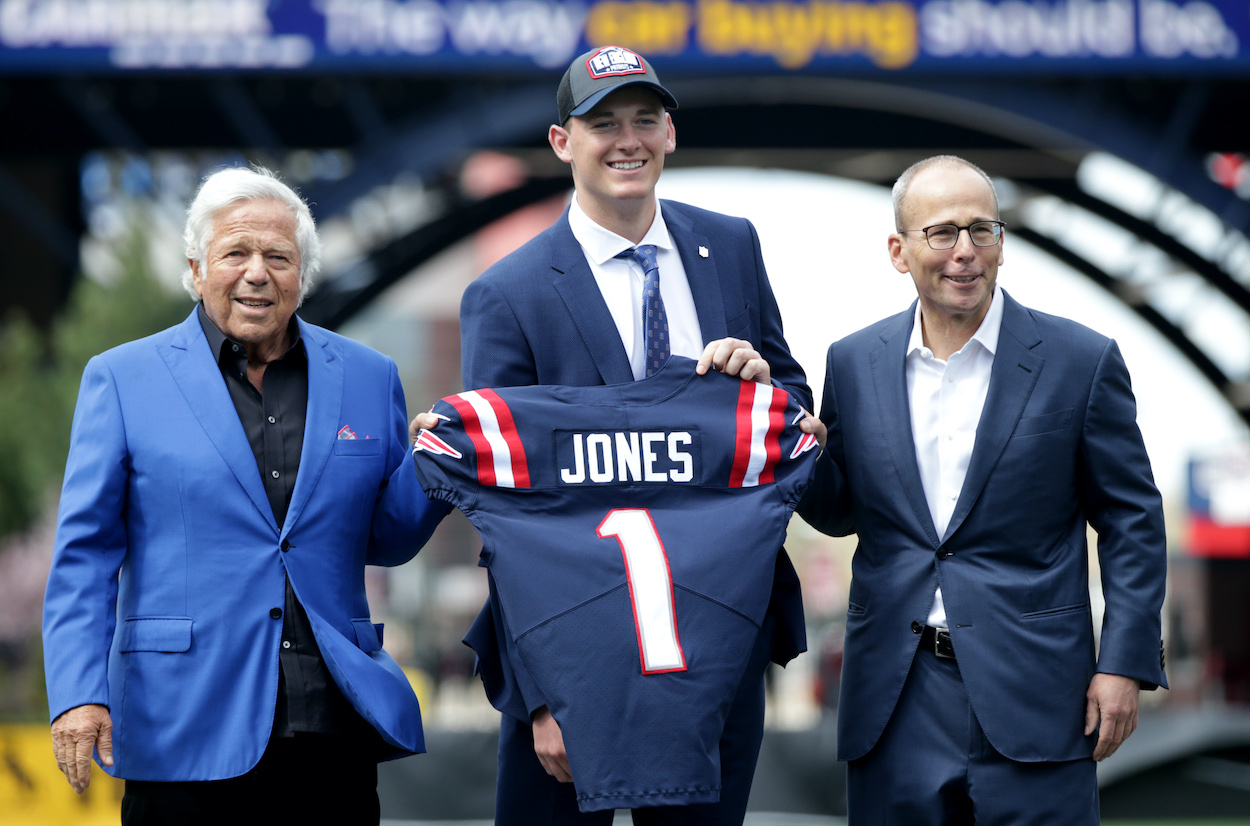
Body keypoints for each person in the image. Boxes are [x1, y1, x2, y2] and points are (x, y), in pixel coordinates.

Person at [415, 45, 814, 824]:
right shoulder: (508, 292)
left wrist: (762, 382)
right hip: (574, 655)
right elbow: (506, 513)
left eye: (643, 120)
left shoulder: (731, 247)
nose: (626, 140)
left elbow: (796, 412)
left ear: (670, 133)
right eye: (603, 123)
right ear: (563, 142)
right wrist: (538, 696)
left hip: (712, 638)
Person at [43, 166, 448, 825]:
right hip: (180, 728)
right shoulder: (121, 379)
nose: (257, 272)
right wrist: (78, 695)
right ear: (197, 268)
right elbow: (83, 557)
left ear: (302, 273)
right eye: (236, 252)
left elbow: (387, 539)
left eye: (278, 256)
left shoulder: (371, 378)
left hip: (331, 731)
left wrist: (436, 469)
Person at [796, 155, 1168, 824]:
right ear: (899, 251)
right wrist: (790, 447)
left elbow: (1131, 520)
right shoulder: (852, 363)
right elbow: (843, 510)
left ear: (1002, 242)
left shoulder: (1081, 363)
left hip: (1040, 695)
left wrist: (1125, 663)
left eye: (983, 230)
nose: (964, 252)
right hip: (895, 698)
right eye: (941, 233)